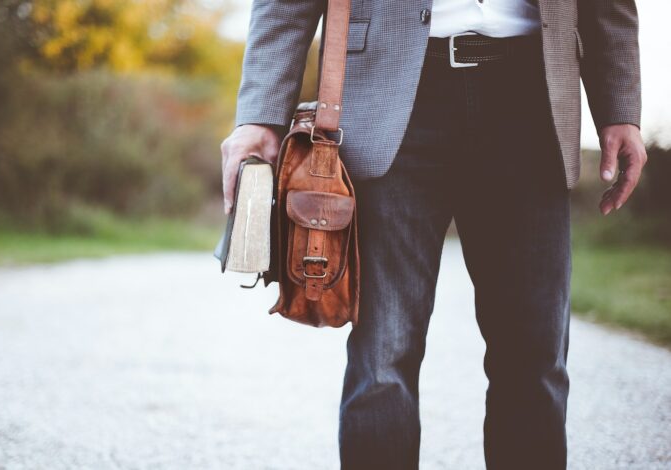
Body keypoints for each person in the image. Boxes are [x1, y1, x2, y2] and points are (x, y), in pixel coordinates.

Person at [220, 0, 646, 468]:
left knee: (535, 361)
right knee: (383, 358)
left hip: (533, 96)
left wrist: (619, 105)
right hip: (391, 95)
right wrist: (259, 114)